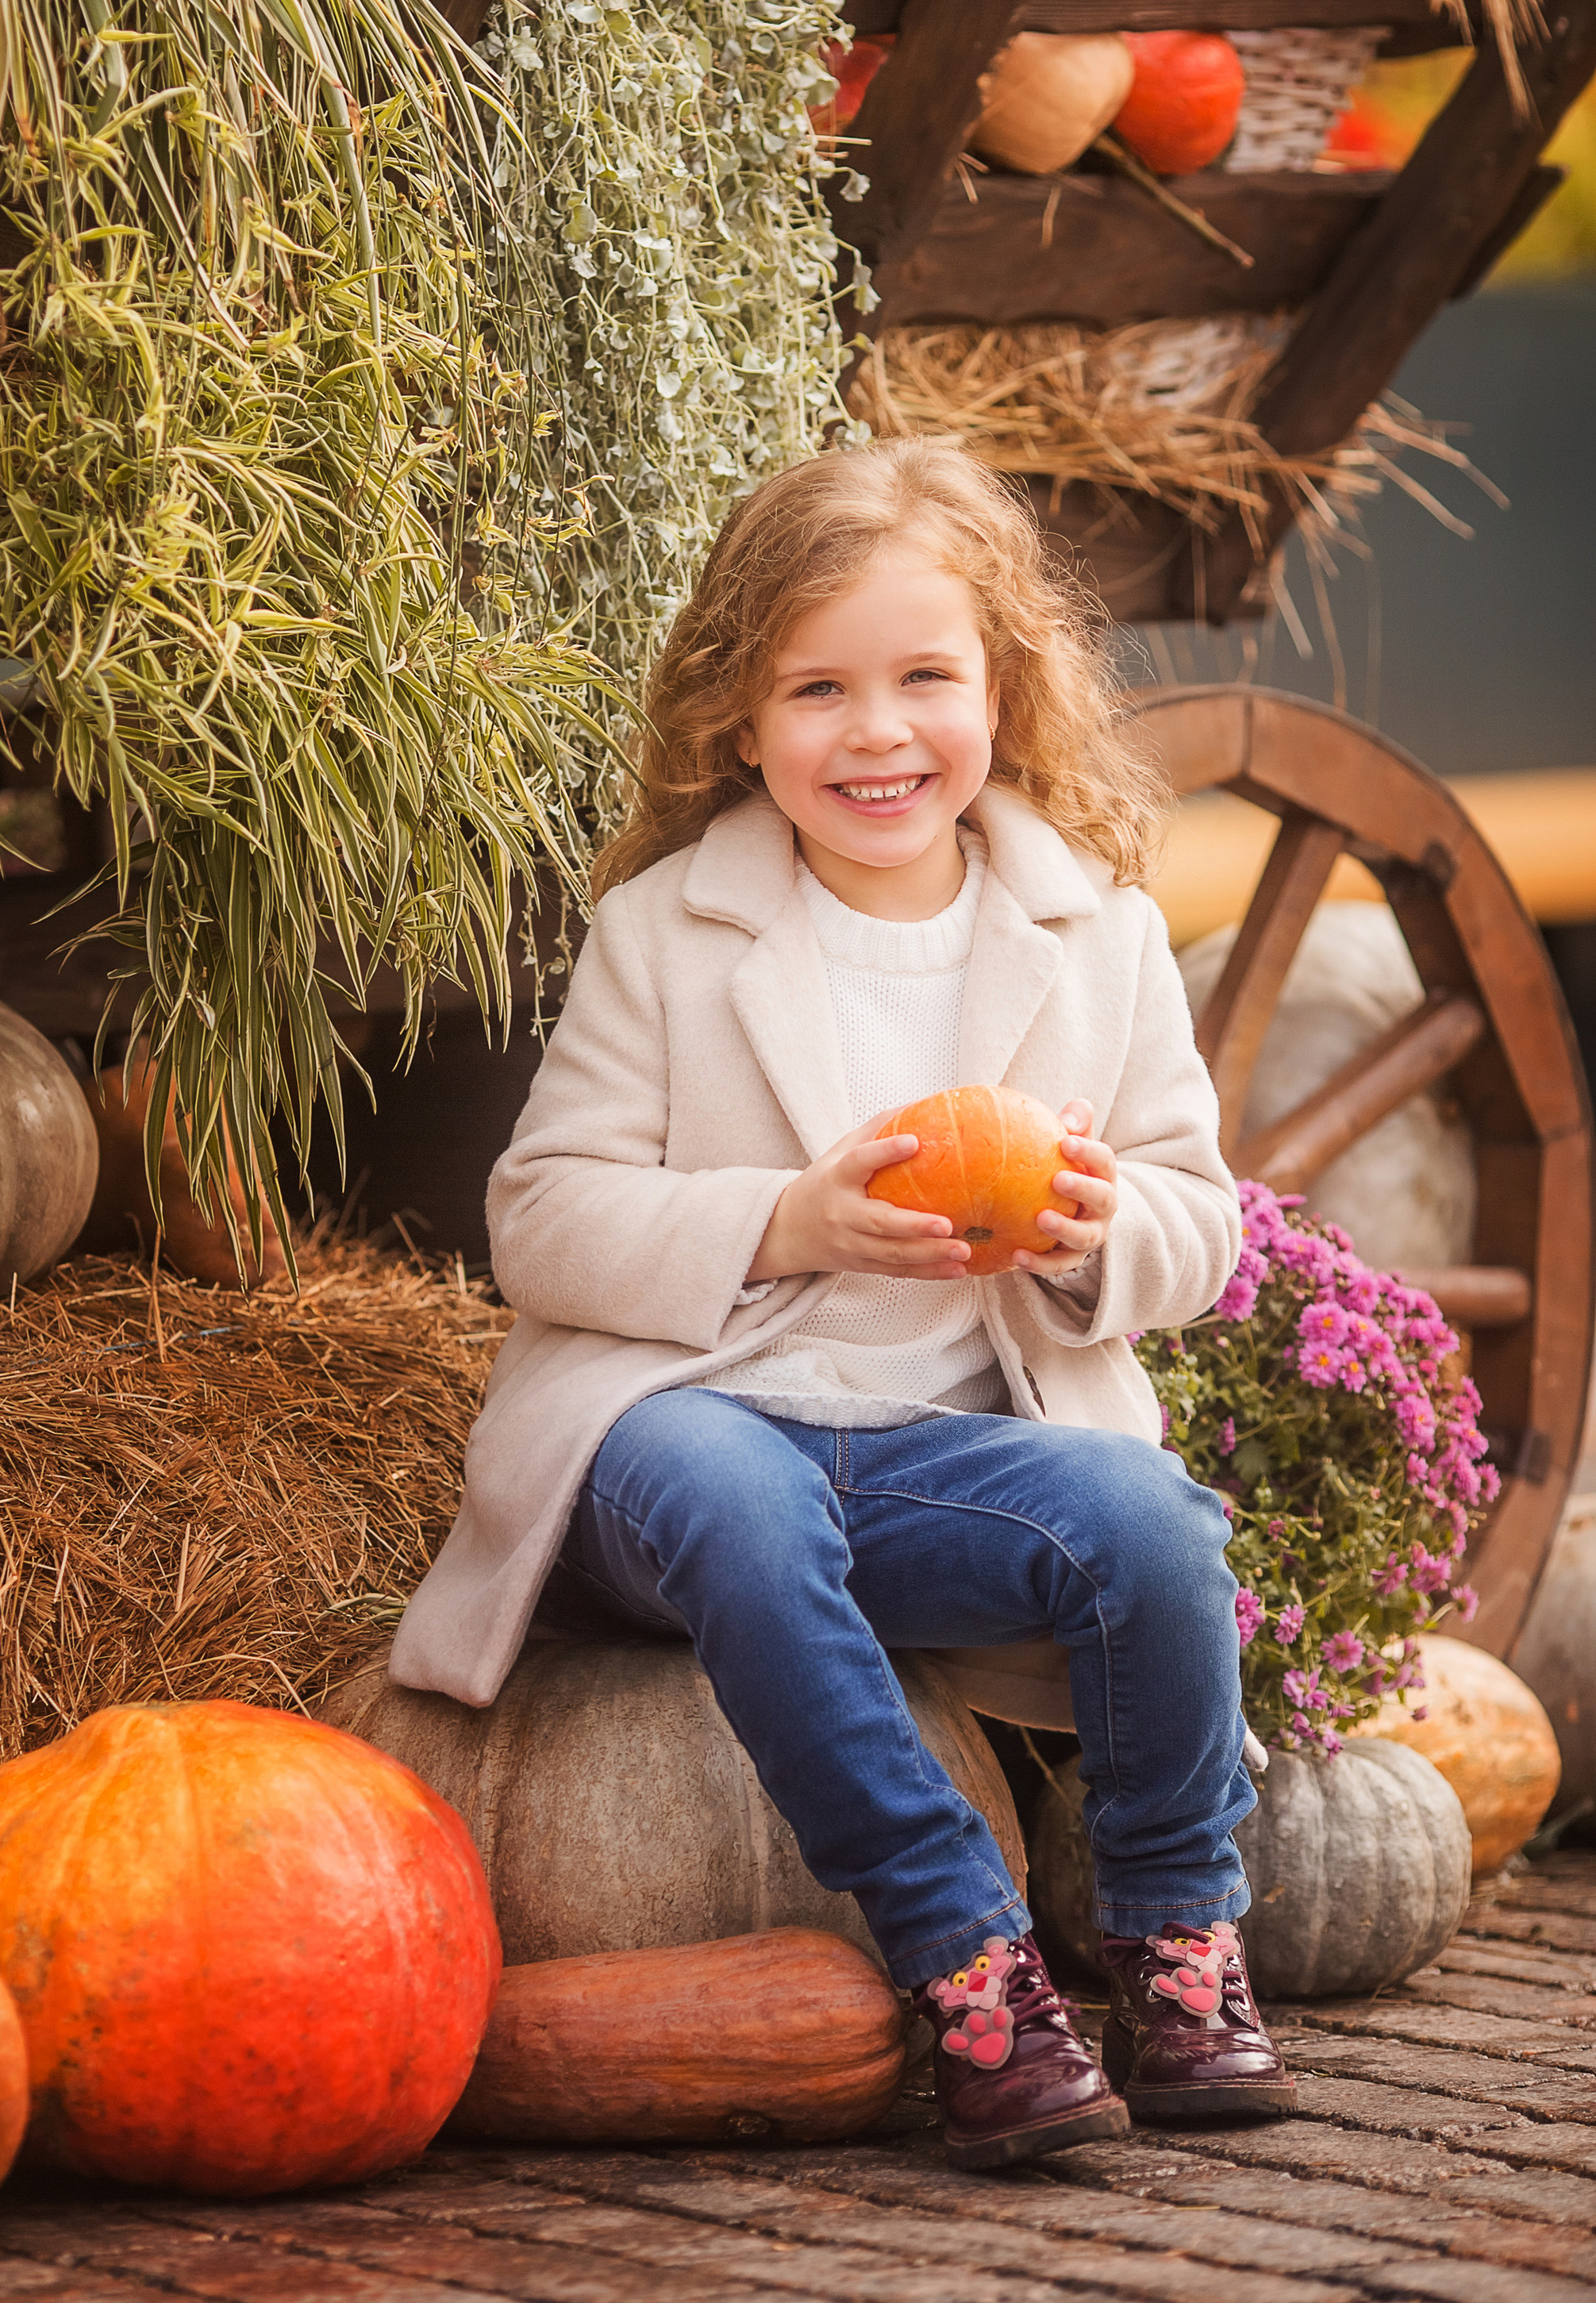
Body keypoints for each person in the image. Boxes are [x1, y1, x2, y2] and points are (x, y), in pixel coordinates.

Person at [392, 437, 1293, 2169]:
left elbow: (1203, 1225)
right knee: (740, 1496)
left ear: (1002, 689)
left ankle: (1177, 1939)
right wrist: (786, 1221)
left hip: (934, 1466)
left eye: (923, 679)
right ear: (739, 722)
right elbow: (540, 1219)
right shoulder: (669, 931)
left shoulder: (1092, 928)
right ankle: (966, 1958)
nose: (877, 733)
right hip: (680, 1435)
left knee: (1151, 1526)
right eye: (818, 690)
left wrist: (1093, 1231)